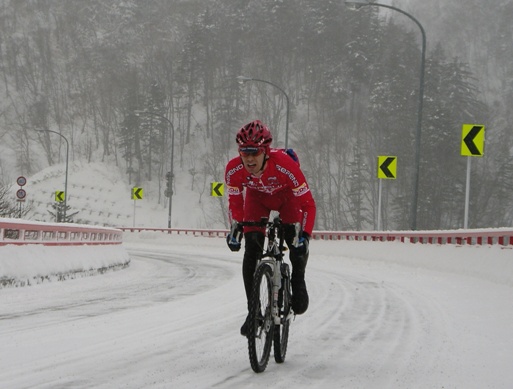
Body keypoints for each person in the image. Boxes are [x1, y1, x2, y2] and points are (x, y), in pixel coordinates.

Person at [224, 119, 316, 337]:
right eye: (244, 152)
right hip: (258, 200)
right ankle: (253, 311)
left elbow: (308, 204)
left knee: (295, 243)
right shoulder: (233, 170)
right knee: (252, 249)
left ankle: (298, 278)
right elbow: (235, 203)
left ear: (265, 151)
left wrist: (304, 235)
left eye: (254, 152)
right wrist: (235, 230)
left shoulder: (285, 164)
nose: (249, 159)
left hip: (287, 199)